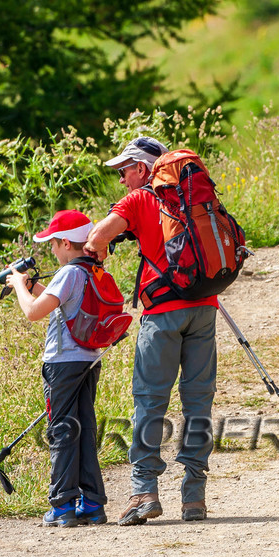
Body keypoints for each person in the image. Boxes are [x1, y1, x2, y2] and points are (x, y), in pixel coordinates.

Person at [84, 136, 219, 525]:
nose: (123, 179)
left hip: (161, 315)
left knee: (149, 402)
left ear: (143, 169)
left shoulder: (141, 199)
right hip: (204, 309)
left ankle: (144, 493)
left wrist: (103, 249)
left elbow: (96, 237)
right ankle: (194, 498)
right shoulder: (193, 199)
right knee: (198, 402)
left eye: (125, 170)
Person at [8, 209, 109, 528]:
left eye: (53, 242)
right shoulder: (91, 269)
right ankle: (91, 502)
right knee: (84, 428)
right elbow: (61, 302)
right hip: (88, 360)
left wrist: (18, 286)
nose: (51, 249)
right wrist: (34, 285)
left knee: (62, 430)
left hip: (62, 364)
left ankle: (62, 505)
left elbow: (34, 312)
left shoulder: (69, 273)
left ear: (66, 242)